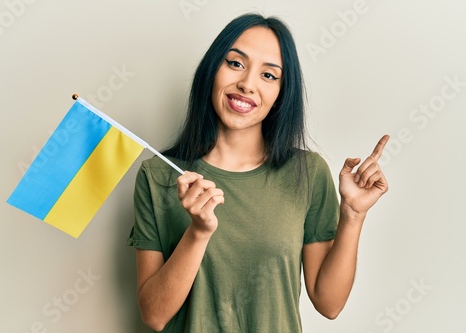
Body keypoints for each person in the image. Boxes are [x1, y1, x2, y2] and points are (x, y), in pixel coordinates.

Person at [127, 12, 389, 333]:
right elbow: (154, 315)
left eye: (269, 75)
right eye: (235, 63)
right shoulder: (158, 175)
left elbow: (329, 303)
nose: (247, 84)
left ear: (282, 93)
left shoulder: (307, 172)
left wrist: (352, 214)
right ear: (212, 70)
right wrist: (198, 232)